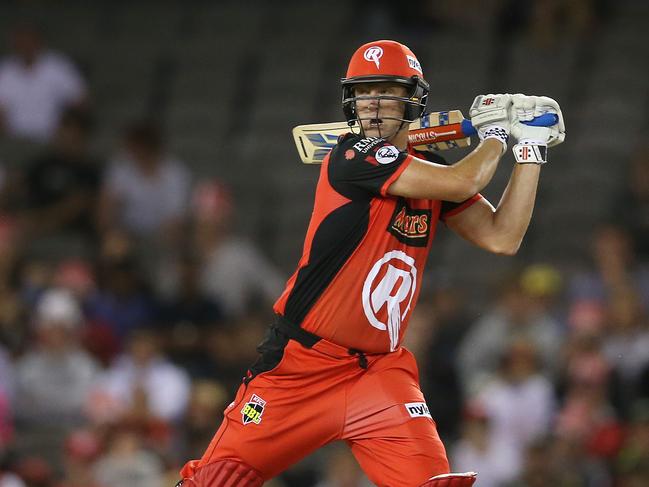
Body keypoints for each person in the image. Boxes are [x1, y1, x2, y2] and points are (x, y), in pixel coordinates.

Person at [177, 39, 565, 487]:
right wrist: (497, 133)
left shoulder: (429, 172)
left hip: (378, 372)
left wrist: (531, 148)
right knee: (214, 481)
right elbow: (466, 177)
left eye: (387, 91)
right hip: (300, 366)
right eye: (364, 93)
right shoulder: (350, 156)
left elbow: (503, 237)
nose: (373, 104)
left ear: (413, 99)